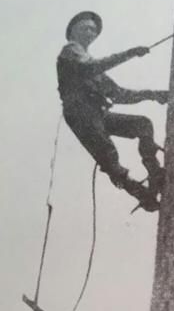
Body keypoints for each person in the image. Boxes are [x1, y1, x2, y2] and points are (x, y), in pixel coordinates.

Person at [57, 11, 168, 211]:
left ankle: (155, 173)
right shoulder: (70, 50)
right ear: (72, 31)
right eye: (85, 28)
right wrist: (130, 53)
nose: (90, 32)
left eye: (93, 30)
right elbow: (92, 66)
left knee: (142, 124)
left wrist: (153, 94)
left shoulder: (94, 69)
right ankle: (138, 191)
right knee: (108, 155)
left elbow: (118, 94)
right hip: (80, 113)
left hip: (96, 113)